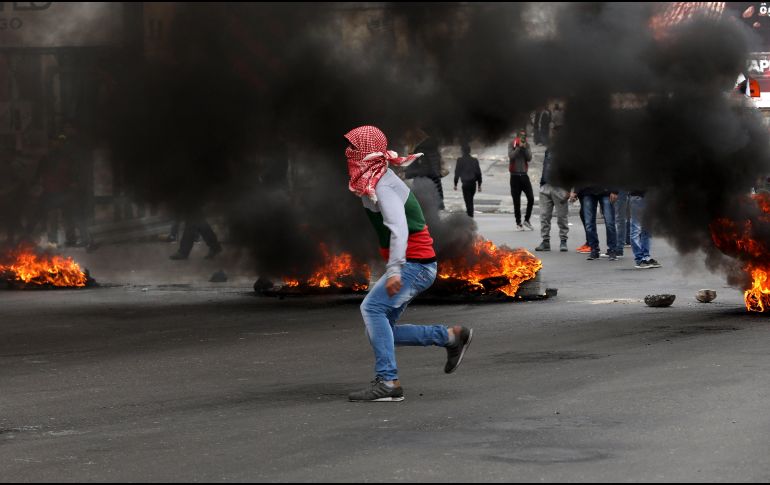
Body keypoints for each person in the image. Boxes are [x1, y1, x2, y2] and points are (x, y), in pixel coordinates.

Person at [344, 125, 473, 403]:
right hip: (416, 264)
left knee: (372, 308)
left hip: (414, 266)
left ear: (368, 152)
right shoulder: (375, 179)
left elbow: (398, 228)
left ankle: (388, 382)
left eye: (355, 148)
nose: (350, 153)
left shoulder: (383, 184)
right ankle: (450, 337)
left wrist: (394, 270)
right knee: (380, 329)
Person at [535, 128, 569, 252]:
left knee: (561, 216)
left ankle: (563, 241)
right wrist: (542, 183)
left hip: (560, 187)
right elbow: (545, 166)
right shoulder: (548, 150)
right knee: (544, 216)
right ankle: (545, 241)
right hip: (546, 186)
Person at [405, 129, 445, 210]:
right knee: (433, 218)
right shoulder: (433, 149)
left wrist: (409, 172)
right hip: (436, 186)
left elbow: (425, 170)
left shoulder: (421, 151)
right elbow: (435, 169)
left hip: (425, 187)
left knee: (423, 216)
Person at [578, 186, 619, 261]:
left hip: (606, 190)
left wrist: (614, 190)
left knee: (610, 222)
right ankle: (594, 249)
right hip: (588, 190)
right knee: (589, 224)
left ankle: (612, 249)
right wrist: (576, 191)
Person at [629, 190, 662, 269]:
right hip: (638, 195)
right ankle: (639, 259)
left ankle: (646, 257)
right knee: (636, 229)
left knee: (647, 229)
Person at [508, 130, 533, 231]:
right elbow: (511, 156)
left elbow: (529, 158)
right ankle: (518, 223)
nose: (523, 138)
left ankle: (527, 219)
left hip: (524, 175)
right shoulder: (512, 144)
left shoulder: (527, 145)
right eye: (521, 136)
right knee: (516, 201)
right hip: (514, 177)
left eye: (524, 136)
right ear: (517, 137)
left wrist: (525, 148)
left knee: (531, 198)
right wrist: (518, 148)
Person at [453, 144, 482, 218]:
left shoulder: (460, 160)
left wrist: (455, 184)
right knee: (470, 200)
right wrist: (479, 185)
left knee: (468, 201)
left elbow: (457, 172)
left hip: (465, 184)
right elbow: (478, 172)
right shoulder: (474, 160)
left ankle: (470, 216)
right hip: (473, 184)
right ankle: (470, 215)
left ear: (462, 151)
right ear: (470, 151)